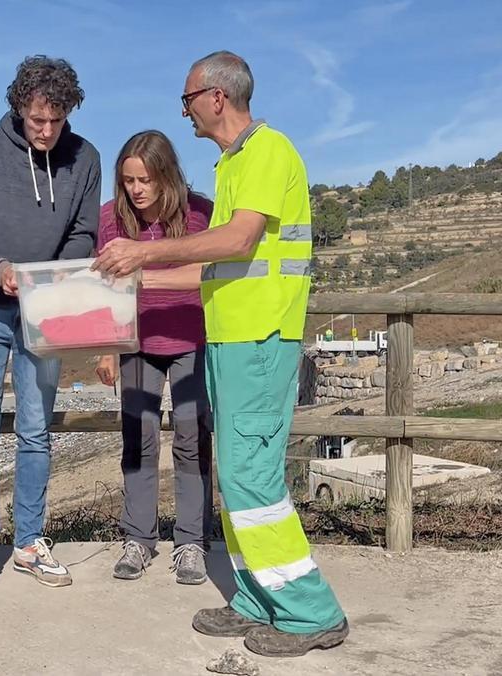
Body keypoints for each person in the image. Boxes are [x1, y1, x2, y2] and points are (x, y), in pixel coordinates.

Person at [94, 51, 349, 657]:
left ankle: (310, 610)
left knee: (250, 474)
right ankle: (259, 598)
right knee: (233, 477)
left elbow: (237, 239)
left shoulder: (267, 151)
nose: (183, 110)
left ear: (215, 96)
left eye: (186, 99)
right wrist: (133, 279)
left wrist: (143, 255)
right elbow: (216, 266)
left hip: (261, 339)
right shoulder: (234, 162)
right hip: (233, 339)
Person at [0, 55, 102, 601]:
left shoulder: (86, 157)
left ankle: (31, 542)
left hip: (47, 309)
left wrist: (46, 279)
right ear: (18, 108)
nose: (45, 131)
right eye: (37, 120)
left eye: (56, 122)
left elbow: (85, 233)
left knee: (37, 429)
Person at [93, 130, 214, 585]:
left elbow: (206, 274)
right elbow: (105, 285)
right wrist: (107, 346)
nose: (136, 190)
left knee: (191, 439)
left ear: (167, 175)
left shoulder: (201, 212)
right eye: (128, 181)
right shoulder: (110, 219)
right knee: (137, 443)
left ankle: (190, 543)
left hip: (191, 341)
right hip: (135, 345)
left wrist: (142, 276)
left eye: (145, 179)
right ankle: (138, 540)